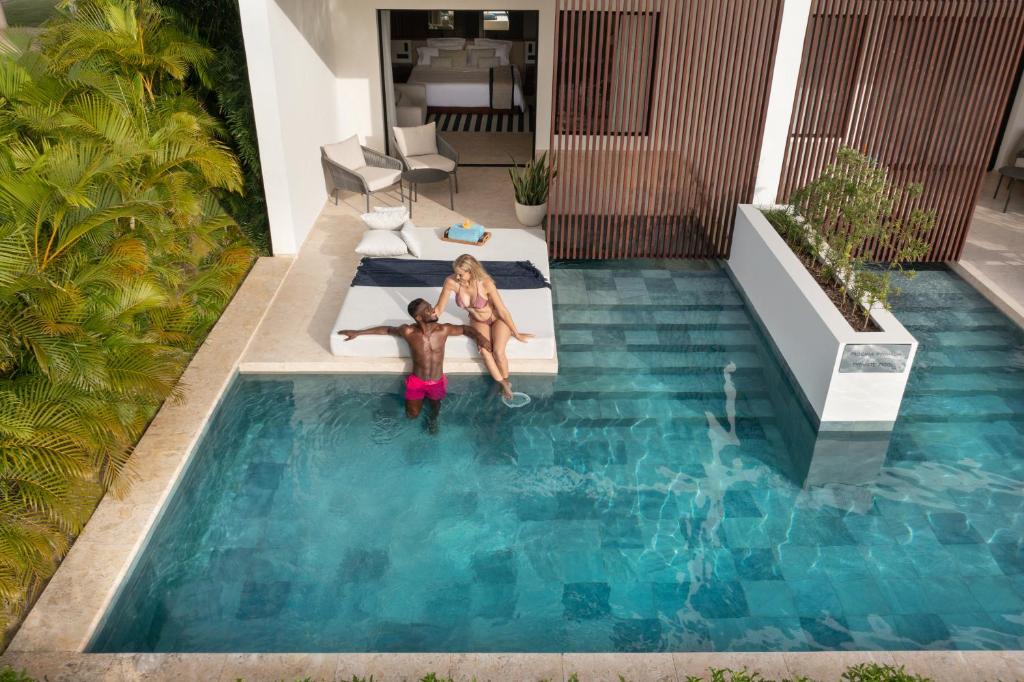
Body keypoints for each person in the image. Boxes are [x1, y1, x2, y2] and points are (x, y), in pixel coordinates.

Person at [337, 298, 491, 430]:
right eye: (428, 309)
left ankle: (433, 421)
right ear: (418, 317)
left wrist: (480, 337)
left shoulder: (443, 330)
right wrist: (358, 333)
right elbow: (387, 330)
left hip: (437, 382)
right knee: (412, 414)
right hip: (417, 382)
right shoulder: (409, 332)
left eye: (431, 307)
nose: (433, 310)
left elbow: (465, 329)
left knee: (435, 409)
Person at [433, 254, 532, 400]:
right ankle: (503, 384)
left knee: (498, 352)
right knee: (485, 351)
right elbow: (439, 308)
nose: (457, 277)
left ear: (471, 271)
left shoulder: (486, 283)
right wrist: (427, 317)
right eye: (456, 273)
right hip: (477, 321)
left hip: (497, 319)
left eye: (460, 274)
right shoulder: (451, 282)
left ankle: (506, 381)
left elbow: (502, 310)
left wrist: (516, 333)